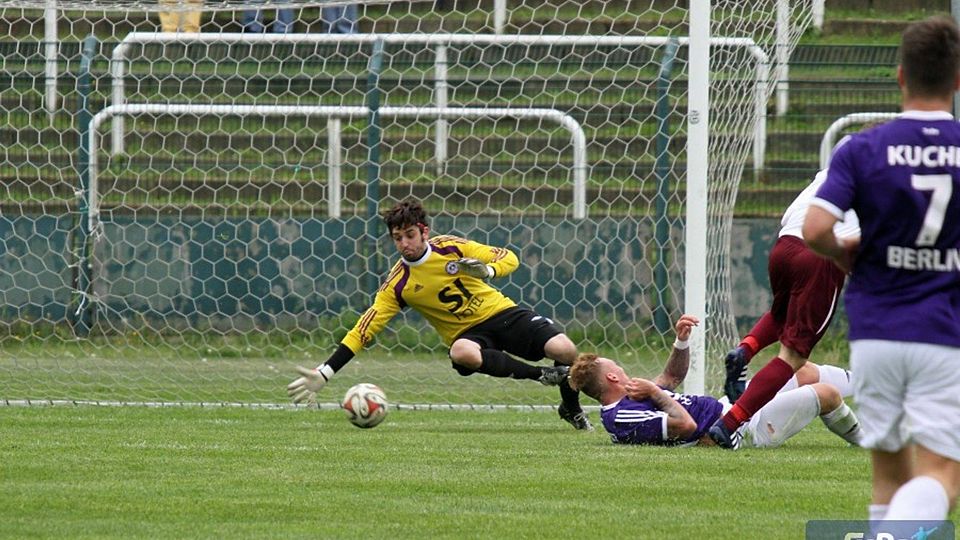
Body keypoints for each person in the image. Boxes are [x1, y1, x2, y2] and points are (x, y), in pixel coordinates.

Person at [804, 15, 960, 523]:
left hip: (875, 332)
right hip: (943, 331)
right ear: (957, 80)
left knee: (888, 475)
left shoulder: (862, 148)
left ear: (899, 76)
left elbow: (814, 229)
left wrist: (843, 251)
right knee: (941, 475)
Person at [287, 199, 593, 430]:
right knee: (462, 352)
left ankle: (570, 408)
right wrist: (325, 372)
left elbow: (507, 257)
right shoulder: (399, 284)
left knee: (565, 349)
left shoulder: (451, 248)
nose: (404, 244)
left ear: (424, 232)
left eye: (409, 235)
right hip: (468, 336)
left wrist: (488, 270)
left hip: (502, 312)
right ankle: (541, 375)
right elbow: (364, 330)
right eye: (397, 237)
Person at [707, 168, 860, 449]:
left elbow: (794, 212)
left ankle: (745, 350)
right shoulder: (897, 178)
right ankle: (730, 424)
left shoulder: (839, 166)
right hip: (819, 256)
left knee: (782, 314)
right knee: (794, 358)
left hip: (784, 244)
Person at [568, 314, 862, 448]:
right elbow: (686, 427)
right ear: (612, 376)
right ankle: (868, 441)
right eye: (617, 365)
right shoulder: (622, 416)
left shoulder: (633, 395)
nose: (622, 367)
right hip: (734, 433)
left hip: (730, 409)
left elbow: (672, 377)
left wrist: (680, 343)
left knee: (802, 371)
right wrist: (657, 394)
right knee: (826, 394)